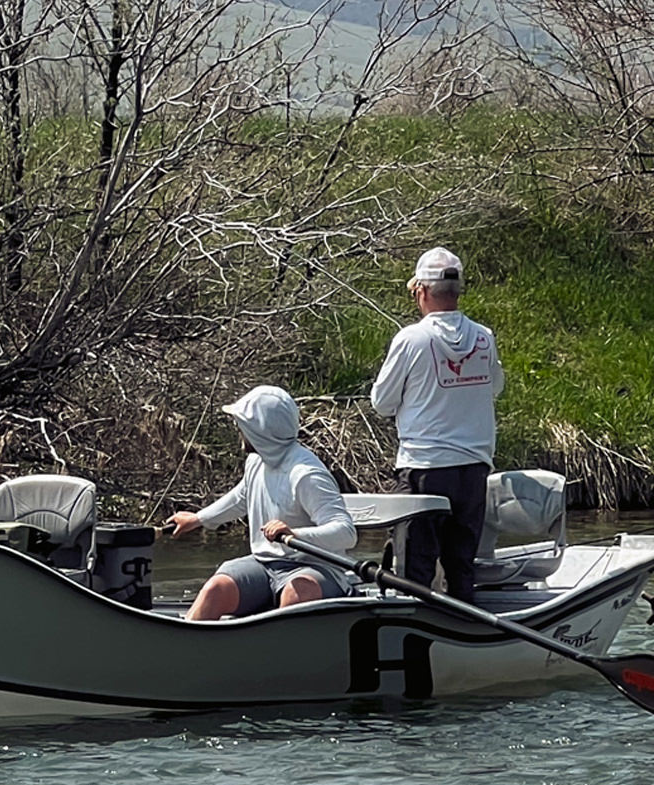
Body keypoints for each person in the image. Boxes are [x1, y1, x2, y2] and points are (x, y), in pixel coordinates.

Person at [370, 246, 505, 602]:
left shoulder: (410, 339)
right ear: (457, 291)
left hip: (424, 469)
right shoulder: (484, 336)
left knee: (414, 571)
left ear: (422, 291)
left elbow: (381, 403)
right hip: (473, 470)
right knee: (461, 567)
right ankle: (462, 626)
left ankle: (415, 628)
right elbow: (496, 386)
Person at [167, 385, 357, 621]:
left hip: (316, 569)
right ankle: (186, 640)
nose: (238, 430)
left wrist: (295, 534)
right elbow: (241, 498)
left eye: (242, 425)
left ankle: (274, 643)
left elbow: (346, 533)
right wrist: (198, 519)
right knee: (214, 590)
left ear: (260, 430)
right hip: (264, 564)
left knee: (296, 594)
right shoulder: (256, 462)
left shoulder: (306, 474)